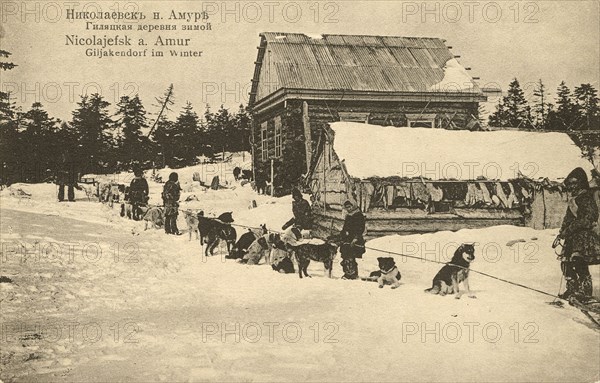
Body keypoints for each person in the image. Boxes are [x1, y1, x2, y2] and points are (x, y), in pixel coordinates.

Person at [557, 167, 600, 302]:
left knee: (579, 261)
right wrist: (561, 233)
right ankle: (572, 288)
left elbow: (589, 218)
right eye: (570, 184)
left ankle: (585, 292)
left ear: (581, 183)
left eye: (574, 183)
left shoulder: (586, 197)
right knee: (565, 263)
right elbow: (567, 218)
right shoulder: (573, 199)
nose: (572, 186)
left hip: (585, 236)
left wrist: (570, 228)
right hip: (573, 237)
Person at [339, 200, 366, 280]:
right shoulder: (348, 216)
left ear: (353, 206)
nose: (348, 209)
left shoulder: (358, 215)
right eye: (347, 207)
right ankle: (347, 273)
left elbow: (360, 228)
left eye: (349, 207)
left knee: (351, 257)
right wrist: (343, 234)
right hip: (347, 239)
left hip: (355, 239)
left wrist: (356, 238)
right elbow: (345, 227)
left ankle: (353, 274)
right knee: (346, 257)